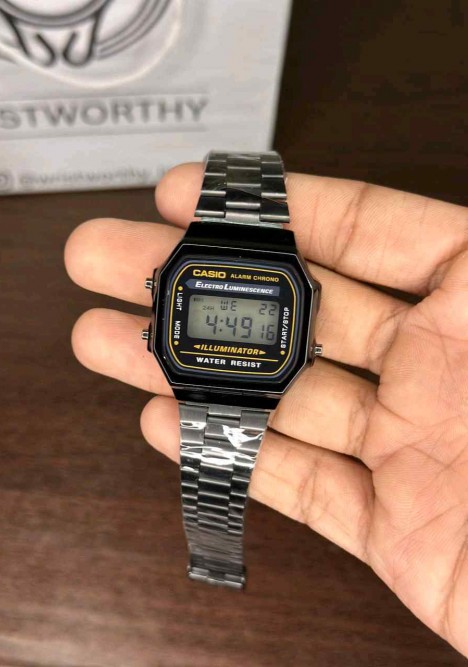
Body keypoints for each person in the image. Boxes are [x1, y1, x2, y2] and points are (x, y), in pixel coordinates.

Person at [64, 162, 468, 657]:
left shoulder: (247, 296)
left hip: (234, 384)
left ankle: (214, 561)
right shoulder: (235, 288)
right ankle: (213, 562)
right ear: (161, 290)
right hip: (211, 380)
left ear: (306, 335)